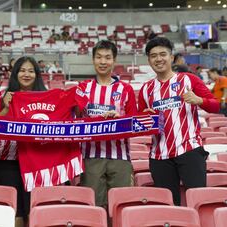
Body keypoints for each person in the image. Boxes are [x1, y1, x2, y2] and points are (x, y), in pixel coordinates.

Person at [138, 37, 220, 205]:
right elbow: (140, 124)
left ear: (172, 57)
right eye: (153, 56)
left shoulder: (189, 80)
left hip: (189, 150)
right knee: (168, 205)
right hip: (159, 156)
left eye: (163, 54)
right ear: (149, 60)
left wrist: (199, 101)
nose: (158, 59)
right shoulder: (146, 89)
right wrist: (144, 118)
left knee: (199, 202)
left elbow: (216, 106)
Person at [0, 56, 47, 227]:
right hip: (7, 162)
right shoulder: (2, 96)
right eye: (22, 70)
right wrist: (6, 108)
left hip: (37, 162)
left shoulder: (46, 96)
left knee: (34, 208)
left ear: (37, 74)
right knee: (14, 210)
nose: (26, 74)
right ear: (15, 74)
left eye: (30, 71)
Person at [79, 40, 136, 212]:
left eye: (107, 58)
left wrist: (121, 118)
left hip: (120, 157)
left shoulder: (126, 89)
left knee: (122, 207)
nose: (103, 62)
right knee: (94, 207)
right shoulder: (82, 88)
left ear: (114, 60)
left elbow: (135, 122)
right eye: (99, 57)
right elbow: (73, 118)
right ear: (93, 59)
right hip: (90, 156)